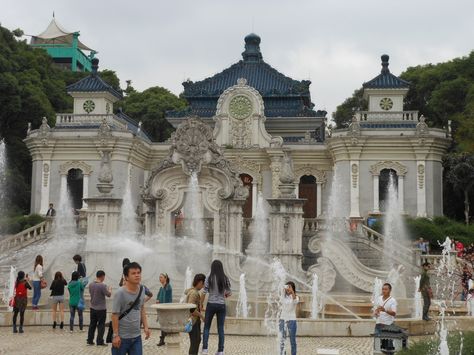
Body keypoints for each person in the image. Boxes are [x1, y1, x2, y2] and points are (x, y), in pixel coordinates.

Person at [111, 262, 150, 355]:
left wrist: (146, 326)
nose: (137, 275)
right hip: (121, 338)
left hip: (136, 337)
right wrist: (116, 335)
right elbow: (114, 315)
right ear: (126, 277)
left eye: (138, 272)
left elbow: (142, 308)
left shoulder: (142, 289)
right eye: (133, 273)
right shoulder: (120, 293)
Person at [202, 260, 232, 355]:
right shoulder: (225, 278)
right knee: (220, 328)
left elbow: (204, 292)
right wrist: (225, 295)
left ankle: (205, 349)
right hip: (221, 305)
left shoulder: (209, 277)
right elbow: (229, 292)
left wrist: (200, 304)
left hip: (211, 304)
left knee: (207, 327)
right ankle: (220, 350)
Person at [87, 270, 112, 346]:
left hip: (93, 307)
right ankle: (99, 341)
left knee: (92, 324)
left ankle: (90, 340)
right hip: (101, 309)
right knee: (101, 325)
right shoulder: (102, 285)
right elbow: (108, 295)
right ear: (102, 276)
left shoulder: (91, 284)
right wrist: (110, 289)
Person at [184, 273, 206, 355]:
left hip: (194, 321)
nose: (203, 286)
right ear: (200, 282)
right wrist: (202, 316)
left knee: (197, 340)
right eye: (203, 284)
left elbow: (194, 307)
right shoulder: (194, 293)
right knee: (195, 342)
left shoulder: (192, 291)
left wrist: (201, 309)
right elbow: (191, 309)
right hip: (193, 321)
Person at [374, 283, 397, 351]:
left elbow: (394, 313)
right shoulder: (379, 298)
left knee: (388, 346)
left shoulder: (392, 300)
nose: (384, 291)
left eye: (386, 289)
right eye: (383, 289)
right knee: (377, 345)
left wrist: (385, 310)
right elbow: (377, 309)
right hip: (378, 324)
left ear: (390, 290)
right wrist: (376, 312)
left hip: (388, 325)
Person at [279, 281, 299, 355]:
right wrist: (283, 289)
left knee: (292, 340)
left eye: (290, 287)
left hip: (292, 320)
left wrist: (292, 292)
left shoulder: (296, 297)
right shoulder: (283, 296)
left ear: (293, 288)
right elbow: (281, 298)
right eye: (287, 287)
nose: (288, 288)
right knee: (282, 340)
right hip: (282, 319)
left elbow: (295, 301)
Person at [156, 273, 172, 346]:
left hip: (166, 308)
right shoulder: (161, 287)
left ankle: (165, 339)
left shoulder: (168, 287)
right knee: (163, 324)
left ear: (165, 278)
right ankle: (163, 339)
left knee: (166, 324)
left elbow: (167, 299)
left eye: (161, 277)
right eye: (159, 277)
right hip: (161, 308)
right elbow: (158, 297)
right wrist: (157, 300)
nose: (160, 279)